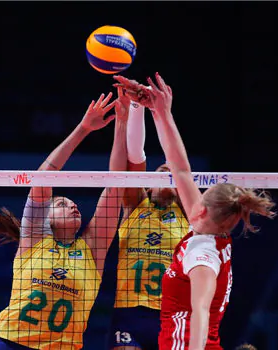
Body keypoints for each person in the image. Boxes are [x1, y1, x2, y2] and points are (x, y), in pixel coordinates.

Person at [114, 72, 276, 350]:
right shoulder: (207, 229)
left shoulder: (202, 256)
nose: (195, 196)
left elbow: (201, 312)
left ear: (202, 211)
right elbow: (180, 168)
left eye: (203, 196)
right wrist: (160, 111)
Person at [0, 90, 130, 350]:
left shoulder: (92, 250)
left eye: (73, 203)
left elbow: (116, 185)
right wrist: (83, 128)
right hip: (11, 343)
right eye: (62, 203)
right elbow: (43, 178)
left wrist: (122, 123)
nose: (73, 205)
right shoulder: (33, 241)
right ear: (46, 218)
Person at [109, 98, 189, 349]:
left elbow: (180, 164)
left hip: (171, 314)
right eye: (160, 172)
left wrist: (163, 113)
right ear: (147, 182)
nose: (167, 174)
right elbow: (135, 157)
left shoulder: (188, 214)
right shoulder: (135, 205)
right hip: (128, 310)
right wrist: (136, 106)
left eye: (171, 175)